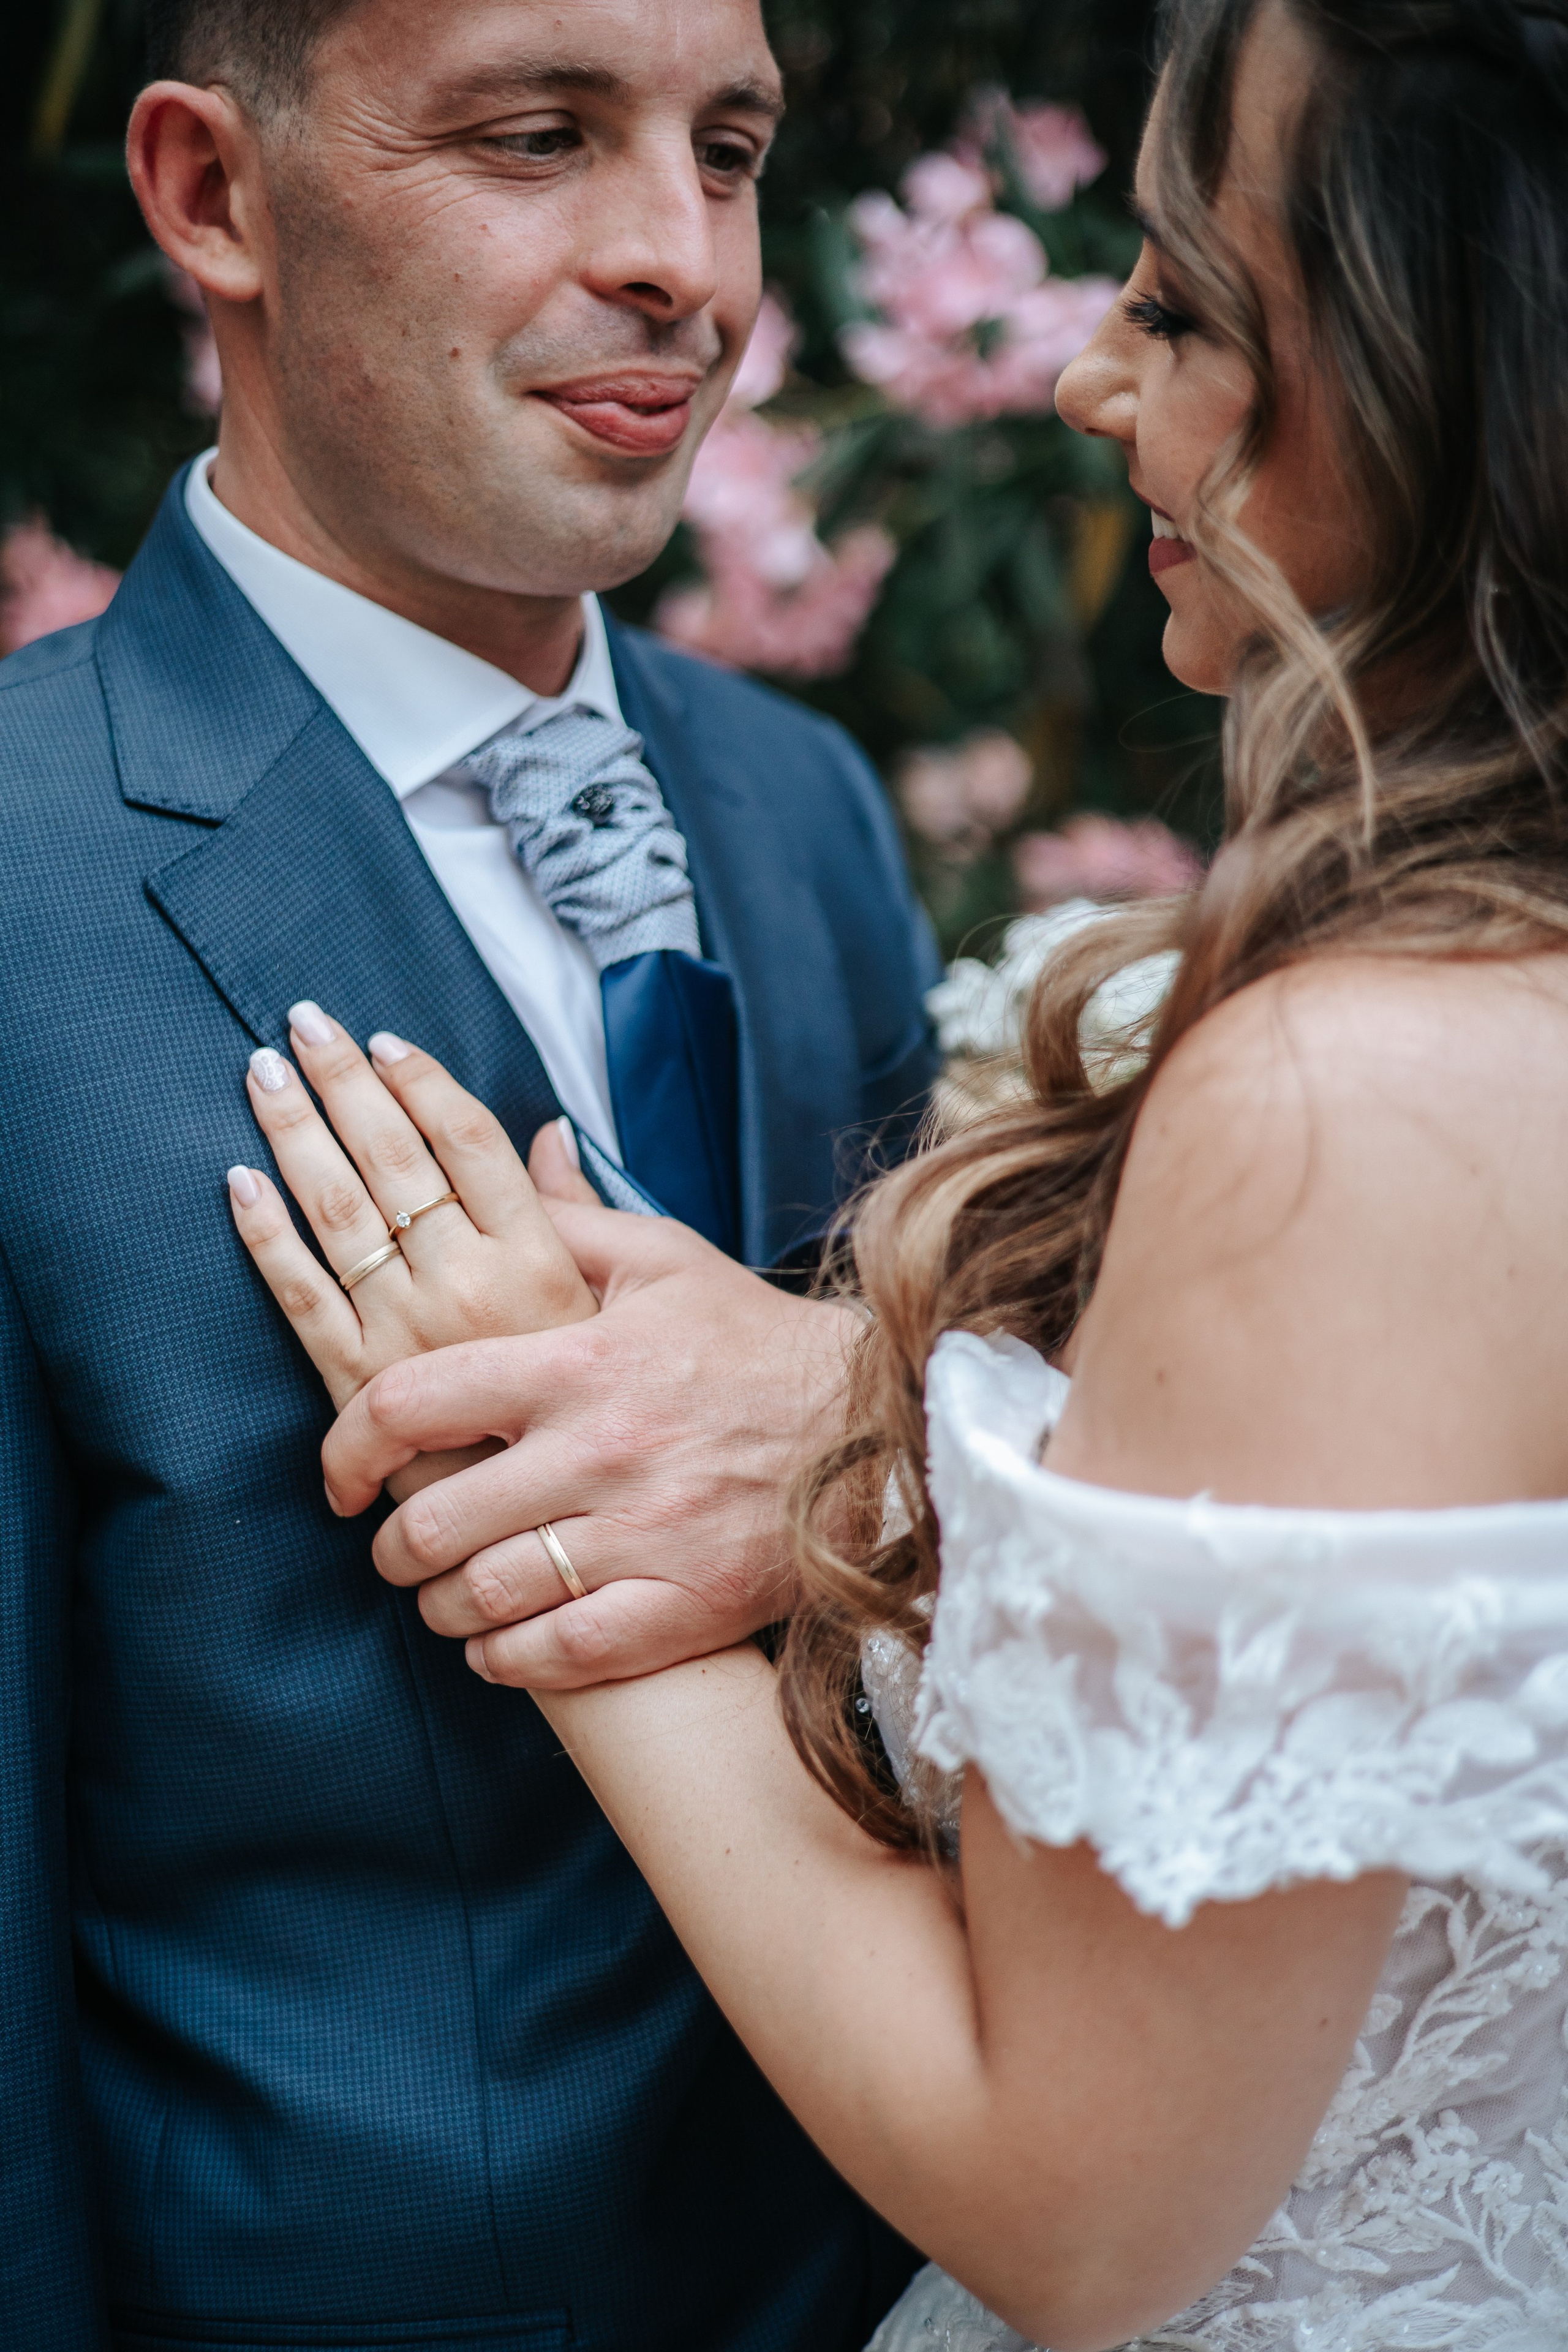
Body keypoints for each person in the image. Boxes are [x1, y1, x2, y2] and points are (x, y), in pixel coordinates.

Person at [236, 1, 1568, 2346]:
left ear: (1446, 372)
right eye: (536, 135)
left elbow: (1087, 2215)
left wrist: (558, 1503)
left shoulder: (1347, 1091)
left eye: (1185, 305)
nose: (1089, 378)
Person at [0, 0, 941, 2340]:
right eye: (537, 136)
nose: (682, 262)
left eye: (728, 151)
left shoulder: (804, 809)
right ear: (213, 194)